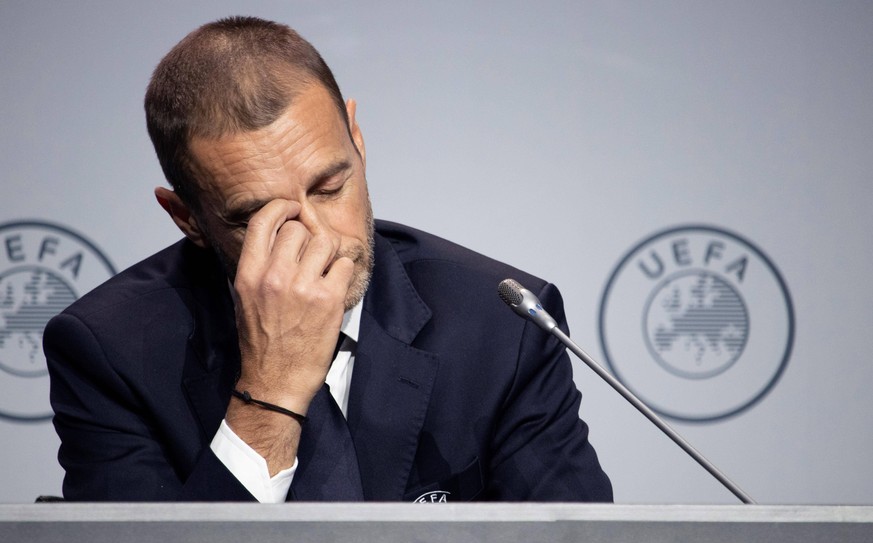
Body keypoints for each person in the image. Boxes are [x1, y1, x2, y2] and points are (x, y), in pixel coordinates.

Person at [44, 16, 612, 502]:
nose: (318, 237)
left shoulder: (500, 327)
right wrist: (270, 393)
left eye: (330, 187)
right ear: (187, 217)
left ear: (357, 141)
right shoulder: (110, 349)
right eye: (259, 215)